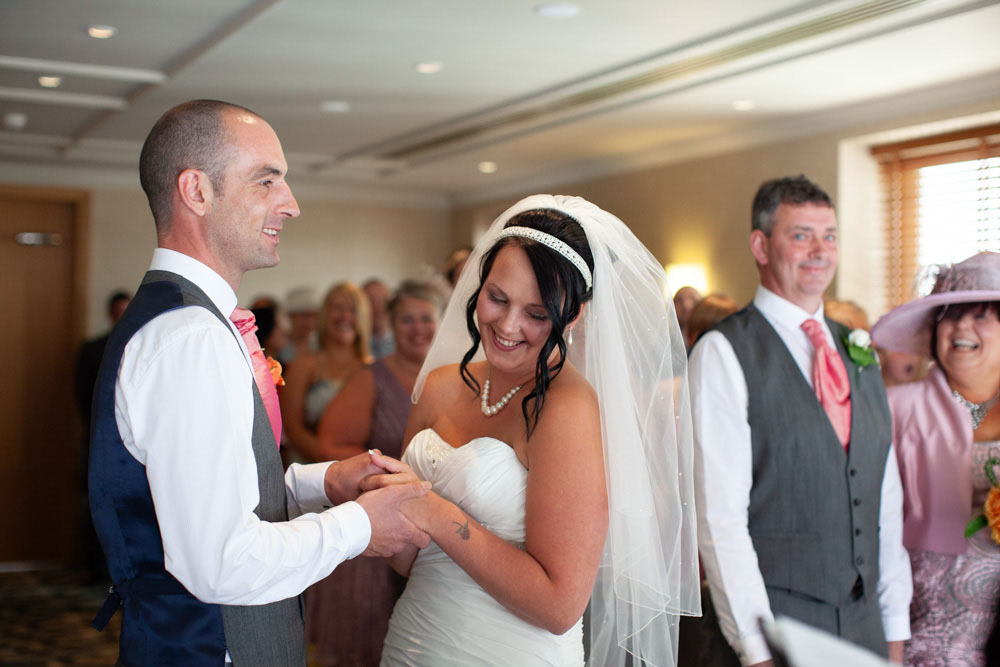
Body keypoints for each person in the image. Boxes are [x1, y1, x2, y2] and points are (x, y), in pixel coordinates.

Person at [87, 99, 430, 666]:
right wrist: (360, 526)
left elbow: (207, 489)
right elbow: (220, 561)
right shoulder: (190, 336)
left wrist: (321, 483)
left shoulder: (188, 320)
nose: (290, 204)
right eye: (266, 180)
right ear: (197, 191)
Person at [370, 194, 700, 666]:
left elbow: (559, 606)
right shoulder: (440, 385)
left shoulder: (567, 409)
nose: (507, 325)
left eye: (537, 313)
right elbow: (406, 560)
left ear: (573, 315)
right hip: (414, 641)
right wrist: (383, 500)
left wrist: (436, 514)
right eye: (497, 298)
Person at [688, 175, 912, 666]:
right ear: (760, 246)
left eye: (829, 236)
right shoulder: (724, 352)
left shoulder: (859, 351)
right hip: (778, 632)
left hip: (867, 630)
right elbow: (720, 521)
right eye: (801, 235)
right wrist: (757, 650)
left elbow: (885, 501)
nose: (820, 251)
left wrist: (894, 631)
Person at [306, 279, 445, 666]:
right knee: (370, 639)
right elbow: (331, 444)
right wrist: (389, 473)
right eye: (406, 319)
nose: (417, 328)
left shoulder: (460, 377)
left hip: (441, 530)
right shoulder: (372, 377)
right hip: (379, 525)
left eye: (425, 318)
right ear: (391, 325)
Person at [870, 251, 1000, 665]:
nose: (961, 327)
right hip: (919, 633)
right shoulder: (892, 408)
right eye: (950, 315)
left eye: (981, 315)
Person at [74, 289, 131, 583]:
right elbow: (83, 394)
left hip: (131, 442)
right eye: (118, 313)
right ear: (111, 315)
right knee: (94, 502)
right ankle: (94, 569)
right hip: (98, 435)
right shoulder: (92, 348)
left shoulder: (140, 343)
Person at [281, 282, 372, 462]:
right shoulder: (302, 366)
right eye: (338, 308)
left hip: (361, 465)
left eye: (353, 310)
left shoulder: (373, 369)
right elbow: (292, 428)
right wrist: (333, 464)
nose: (345, 316)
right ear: (324, 315)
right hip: (310, 465)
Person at [280, 285, 319, 365]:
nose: (310, 322)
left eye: (314, 316)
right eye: (305, 316)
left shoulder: (320, 345)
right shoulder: (279, 346)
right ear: (291, 316)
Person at [364, 278, 395, 360]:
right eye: (370, 301)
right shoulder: (351, 345)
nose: (378, 307)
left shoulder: (404, 342)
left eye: (383, 301)